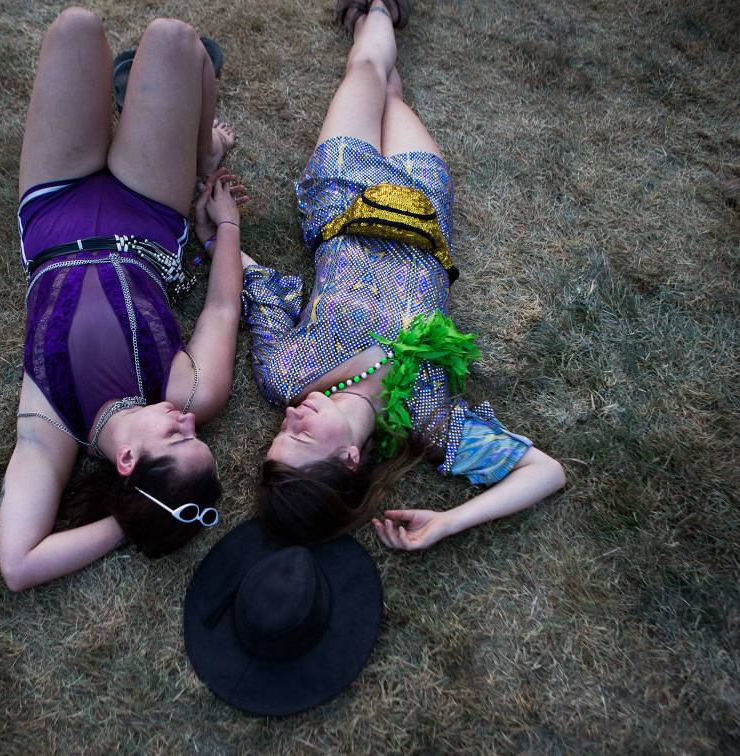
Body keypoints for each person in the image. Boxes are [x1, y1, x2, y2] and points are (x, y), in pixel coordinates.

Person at [241, 0, 565, 551]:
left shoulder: (284, 377)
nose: (291, 416)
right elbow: (546, 471)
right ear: (349, 458)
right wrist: (448, 521)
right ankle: (370, 16)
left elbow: (262, 289)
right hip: (421, 207)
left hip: (342, 195)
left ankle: (375, 11)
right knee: (390, 94)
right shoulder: (427, 421)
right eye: (300, 435)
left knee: (366, 69)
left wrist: (217, 233)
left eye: (280, 431)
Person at [0, 8, 246, 591]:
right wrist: (228, 226)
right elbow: (221, 309)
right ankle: (204, 152)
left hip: (55, 212)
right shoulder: (188, 392)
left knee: (76, 27)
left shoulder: (53, 425)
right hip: (145, 214)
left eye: (179, 439)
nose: (189, 422)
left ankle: (146, 121)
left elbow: (19, 565)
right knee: (174, 40)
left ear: (128, 461)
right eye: (197, 435)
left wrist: (133, 519)